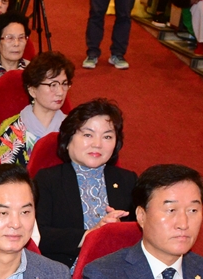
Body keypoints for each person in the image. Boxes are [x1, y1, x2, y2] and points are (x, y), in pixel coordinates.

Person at [33, 98, 136, 268]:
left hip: (118, 273)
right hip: (65, 274)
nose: (97, 144)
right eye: (88, 135)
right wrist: (90, 235)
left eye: (107, 136)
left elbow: (145, 233)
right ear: (68, 139)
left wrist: (118, 231)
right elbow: (38, 235)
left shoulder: (127, 180)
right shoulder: (47, 180)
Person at [0, 51, 73, 166]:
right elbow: (0, 176)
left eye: (64, 84)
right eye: (53, 85)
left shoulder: (73, 128)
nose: (60, 92)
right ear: (32, 90)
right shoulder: (11, 129)